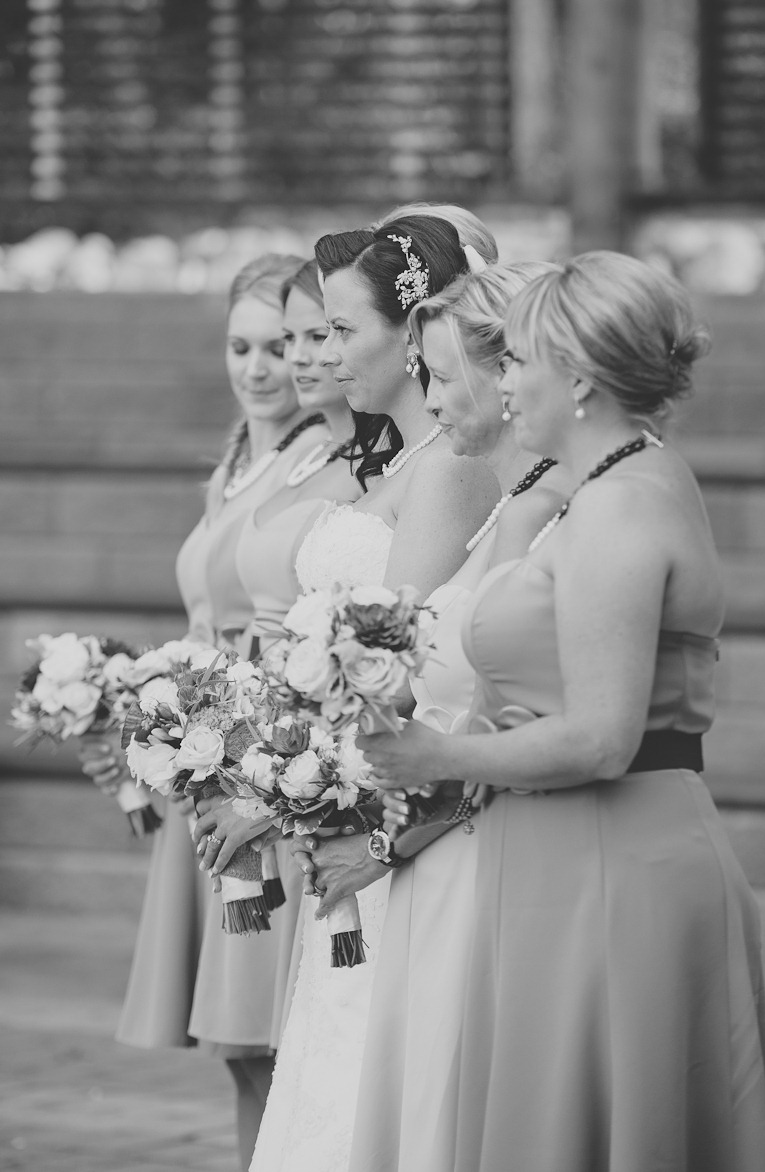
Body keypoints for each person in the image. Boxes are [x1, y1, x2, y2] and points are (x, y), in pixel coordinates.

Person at [359, 251, 765, 1171]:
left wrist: (431, 756)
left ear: (579, 377)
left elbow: (600, 736)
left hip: (608, 868)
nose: (502, 381)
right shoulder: (610, 486)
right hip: (564, 860)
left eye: (516, 361)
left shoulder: (621, 510)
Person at [248, 214, 499, 1172]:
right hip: (367, 796)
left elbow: (410, 671)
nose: (326, 351)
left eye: (343, 330)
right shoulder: (396, 462)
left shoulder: (449, 470)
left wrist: (317, 785)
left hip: (407, 807)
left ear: (414, 332)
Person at [81, 254, 329, 1172]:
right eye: (243, 346)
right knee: (237, 1049)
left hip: (258, 753)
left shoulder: (319, 460)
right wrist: (134, 726)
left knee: (263, 1034)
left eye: (287, 344)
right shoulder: (236, 458)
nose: (262, 367)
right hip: (202, 752)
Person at [346, 261, 571, 1172]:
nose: (428, 399)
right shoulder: (502, 514)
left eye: (441, 374)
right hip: (431, 843)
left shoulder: (557, 510)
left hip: (481, 846)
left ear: (504, 367)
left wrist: (417, 790)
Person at [190, 257, 364, 1053]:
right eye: (257, 344)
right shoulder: (268, 463)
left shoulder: (348, 467)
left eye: (312, 335)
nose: (287, 361)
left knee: (278, 1042)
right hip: (237, 745)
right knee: (246, 1048)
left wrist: (272, 775)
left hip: (296, 758)